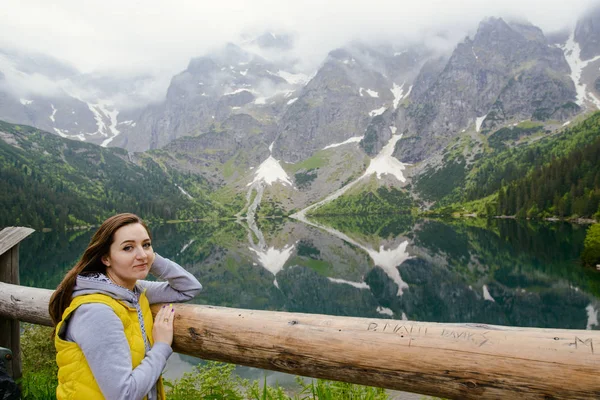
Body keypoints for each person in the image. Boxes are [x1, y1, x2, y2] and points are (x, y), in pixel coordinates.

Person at [48, 213, 202, 400]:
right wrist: (161, 346)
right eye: (128, 247)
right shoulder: (97, 311)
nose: (142, 254)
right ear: (106, 258)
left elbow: (189, 288)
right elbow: (124, 395)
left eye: (146, 244)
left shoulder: (134, 291)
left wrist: (150, 260)